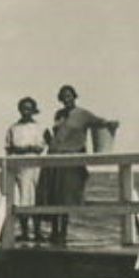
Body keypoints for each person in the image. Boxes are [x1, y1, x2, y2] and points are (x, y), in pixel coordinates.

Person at [36, 84, 118, 246]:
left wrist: (111, 125)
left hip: (71, 159)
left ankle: (63, 233)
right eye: (63, 96)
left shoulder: (83, 114)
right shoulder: (58, 114)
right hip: (54, 157)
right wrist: (48, 139)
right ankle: (53, 231)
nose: (66, 99)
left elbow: (101, 123)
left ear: (74, 97)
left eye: (69, 95)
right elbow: (58, 137)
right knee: (52, 195)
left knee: (66, 196)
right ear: (60, 98)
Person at [5, 97, 46, 243]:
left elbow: (42, 146)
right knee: (22, 198)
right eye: (23, 108)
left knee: (35, 198)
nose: (26, 111)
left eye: (29, 108)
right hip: (19, 167)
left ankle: (37, 231)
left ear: (33, 110)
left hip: (35, 166)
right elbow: (8, 148)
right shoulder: (13, 128)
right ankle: (24, 232)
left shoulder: (39, 127)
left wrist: (31, 149)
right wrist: (19, 150)